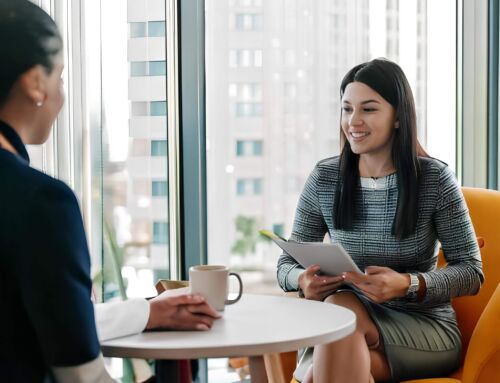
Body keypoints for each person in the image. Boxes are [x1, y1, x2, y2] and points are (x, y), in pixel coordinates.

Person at [0, 1, 220, 382]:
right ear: (36, 81)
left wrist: (146, 312)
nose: (61, 95)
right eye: (60, 78)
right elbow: (80, 375)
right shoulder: (40, 201)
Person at [277, 58, 484, 383]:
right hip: (347, 314)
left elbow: (471, 272)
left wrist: (407, 283)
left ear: (398, 117)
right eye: (347, 109)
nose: (353, 121)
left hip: (423, 325)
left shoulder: (434, 180)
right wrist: (303, 280)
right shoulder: (325, 178)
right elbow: (285, 265)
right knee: (340, 315)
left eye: (368, 109)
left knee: (327, 356)